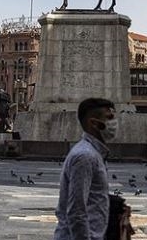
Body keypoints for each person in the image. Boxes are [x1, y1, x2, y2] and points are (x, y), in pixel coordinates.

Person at [54, 98, 116, 240]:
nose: (114, 123)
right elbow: (76, 211)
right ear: (93, 123)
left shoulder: (94, 153)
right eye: (109, 118)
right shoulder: (85, 156)